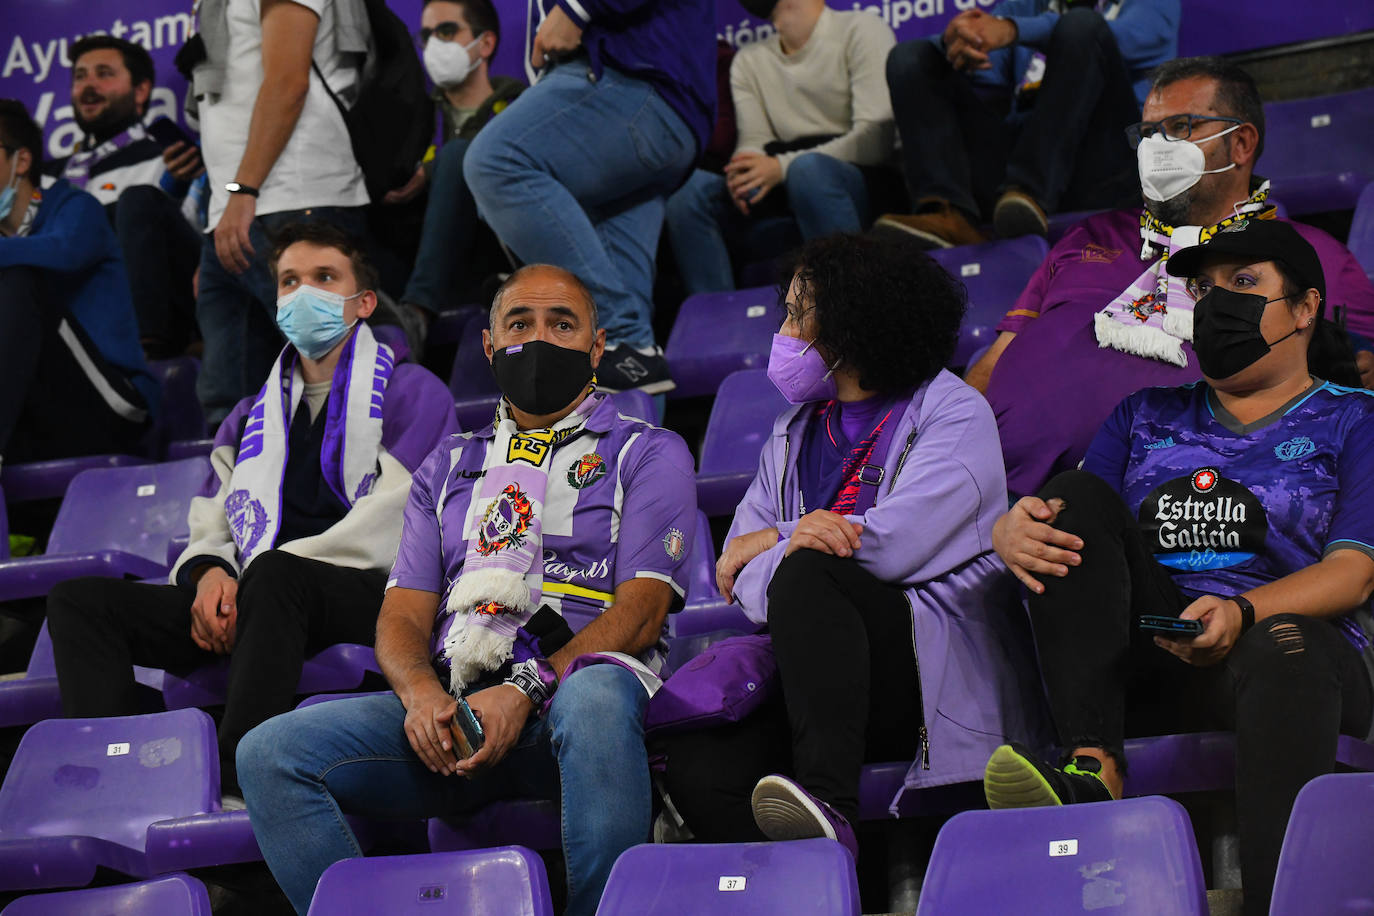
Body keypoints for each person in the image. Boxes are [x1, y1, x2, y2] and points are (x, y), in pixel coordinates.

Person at [236, 264, 698, 914]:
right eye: (519, 323)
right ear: (488, 345)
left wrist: (526, 688)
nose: (539, 340)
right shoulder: (447, 465)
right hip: (461, 712)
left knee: (595, 692)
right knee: (268, 753)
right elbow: (402, 615)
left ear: (596, 347)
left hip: (577, 710)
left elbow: (644, 612)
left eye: (562, 324)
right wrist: (421, 694)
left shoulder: (647, 452)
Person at [983, 219, 1374, 916]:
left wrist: (1243, 612)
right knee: (1071, 497)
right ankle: (1093, 764)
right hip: (1155, 649)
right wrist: (1013, 529)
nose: (1218, 302)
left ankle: (1279, 904)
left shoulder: (1355, 419)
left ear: (1306, 308)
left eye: (1244, 282)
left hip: (1288, 651)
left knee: (1285, 649)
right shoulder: (1141, 414)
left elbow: (1355, 571)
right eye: (1205, 288)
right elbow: (1074, 525)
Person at [660, 234, 1048, 855]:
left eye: (798, 315)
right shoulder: (792, 431)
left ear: (853, 322)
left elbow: (896, 545)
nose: (783, 333)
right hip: (817, 673)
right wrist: (792, 542)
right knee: (701, 765)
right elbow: (740, 576)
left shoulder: (954, 411)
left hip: (922, 673)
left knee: (812, 572)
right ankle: (813, 879)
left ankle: (830, 807)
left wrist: (784, 537)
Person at [46, 223, 457, 794]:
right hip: (262, 596)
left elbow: (397, 522)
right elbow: (214, 519)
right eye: (290, 281)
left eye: (324, 277)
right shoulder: (250, 413)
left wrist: (258, 574)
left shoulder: (413, 391)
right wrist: (212, 574)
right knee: (81, 603)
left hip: (377, 596)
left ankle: (237, 782)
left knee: (275, 575)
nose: (304, 292)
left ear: (364, 302)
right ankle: (118, 780)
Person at [964, 57, 1374, 499]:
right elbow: (1000, 357)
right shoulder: (1090, 235)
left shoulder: (1315, 257)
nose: (1157, 147)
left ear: (1241, 144)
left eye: (1180, 127)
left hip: (1186, 516)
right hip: (1002, 500)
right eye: (1148, 133)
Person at [462, 0, 715, 393]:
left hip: (632, 79)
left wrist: (577, 9)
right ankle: (635, 374)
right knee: (627, 354)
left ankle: (605, 318)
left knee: (495, 162)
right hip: (660, 109)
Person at [186, 0, 371, 423]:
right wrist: (220, 216)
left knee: (337, 380)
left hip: (295, 197)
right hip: (234, 210)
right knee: (232, 404)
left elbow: (288, 83)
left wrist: (243, 190)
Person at [880, 0, 1178, 247]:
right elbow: (985, 63)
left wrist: (1013, 30)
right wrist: (959, 40)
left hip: (1102, 165)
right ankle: (949, 212)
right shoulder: (1026, 5)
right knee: (912, 58)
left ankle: (1029, 192)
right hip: (1020, 158)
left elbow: (1130, 38)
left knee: (1082, 26)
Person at [662, 0, 897, 295]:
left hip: (856, 176)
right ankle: (718, 318)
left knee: (808, 172)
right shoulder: (749, 60)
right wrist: (743, 172)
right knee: (689, 192)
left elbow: (875, 141)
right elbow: (753, 140)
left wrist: (781, 168)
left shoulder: (861, 28)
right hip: (786, 182)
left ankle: (852, 306)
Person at [0, 99, 157, 466]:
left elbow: (65, 251)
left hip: (113, 404)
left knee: (21, 279)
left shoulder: (76, 207)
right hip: (36, 415)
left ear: (20, 162)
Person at [47, 36, 205, 359]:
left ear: (141, 90)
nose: (89, 86)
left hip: (151, 318)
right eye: (80, 76)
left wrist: (177, 187)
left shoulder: (169, 159)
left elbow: (191, 241)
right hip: (65, 321)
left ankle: (146, 352)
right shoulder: (46, 176)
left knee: (137, 201)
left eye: (104, 74)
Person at [387, 0, 523, 329]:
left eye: (447, 31)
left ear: (485, 43)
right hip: (421, 250)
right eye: (427, 35)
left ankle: (417, 312)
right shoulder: (412, 115)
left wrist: (433, 170)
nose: (435, 45)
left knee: (457, 156)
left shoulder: (521, 108)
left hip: (498, 246)